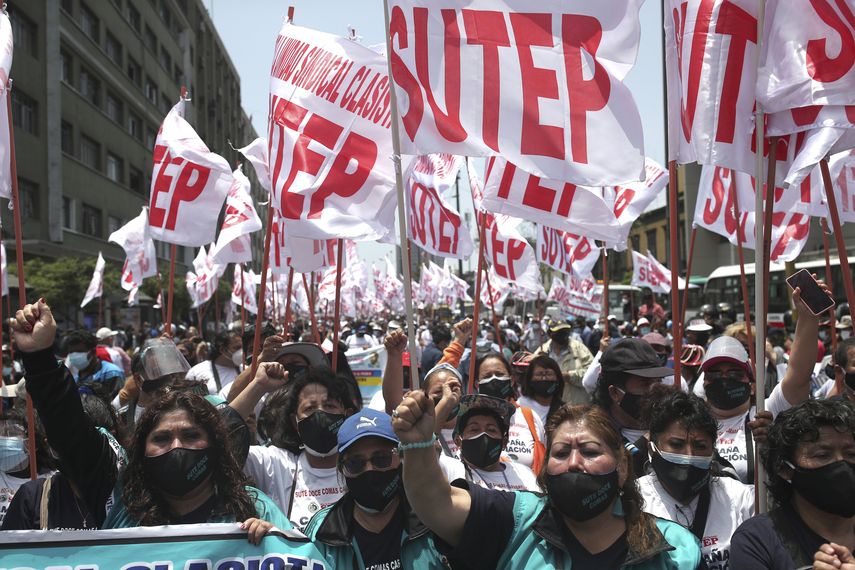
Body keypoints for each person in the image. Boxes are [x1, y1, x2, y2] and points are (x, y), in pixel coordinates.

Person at [9, 300, 291, 544]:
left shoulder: (256, 509)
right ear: (141, 449)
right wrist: (40, 360)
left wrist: (274, 542)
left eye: (191, 435)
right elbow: (70, 431)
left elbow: (299, 556)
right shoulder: (121, 504)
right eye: (161, 438)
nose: (177, 446)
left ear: (216, 444)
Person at [390, 397, 703, 569]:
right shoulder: (515, 521)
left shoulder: (676, 549)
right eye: (562, 452)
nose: (574, 462)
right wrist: (417, 446)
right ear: (545, 468)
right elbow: (436, 503)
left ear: (622, 468)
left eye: (591, 452)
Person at [696, 283, 819, 484]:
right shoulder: (690, 422)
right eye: (715, 374)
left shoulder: (767, 412)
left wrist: (808, 317)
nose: (724, 378)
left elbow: (798, 375)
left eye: (734, 373)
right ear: (704, 381)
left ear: (752, 384)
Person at [304, 408, 448, 568]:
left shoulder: (433, 519)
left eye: (381, 458)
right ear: (342, 469)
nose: (369, 470)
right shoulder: (322, 532)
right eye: (355, 463)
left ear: (401, 458)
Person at [730, 399, 855, 569]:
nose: (841, 463)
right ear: (784, 468)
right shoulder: (757, 540)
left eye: (851, 454)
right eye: (822, 455)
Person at [232, 362, 357, 530]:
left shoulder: (365, 465)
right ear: (294, 421)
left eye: (329, 406)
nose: (320, 414)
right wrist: (258, 386)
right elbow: (219, 445)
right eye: (310, 408)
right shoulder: (276, 465)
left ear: (346, 415)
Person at [637, 390, 754, 568]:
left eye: (700, 446)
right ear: (652, 448)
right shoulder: (634, 502)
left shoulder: (740, 499)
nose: (689, 456)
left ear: (713, 451)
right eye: (676, 445)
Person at [1, 391, 124, 530]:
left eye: (78, 441)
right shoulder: (32, 498)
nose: (68, 450)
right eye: (60, 441)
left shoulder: (131, 497)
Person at [591, 338, 673, 475]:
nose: (655, 390)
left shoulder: (674, 425)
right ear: (615, 393)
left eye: (658, 381)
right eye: (645, 384)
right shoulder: (595, 435)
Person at [443, 394, 540, 492]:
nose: (483, 435)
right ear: (458, 441)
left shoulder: (524, 475)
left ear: (504, 442)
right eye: (474, 429)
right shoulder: (450, 470)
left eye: (491, 430)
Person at [534, 321, 593, 406]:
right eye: (559, 332)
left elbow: (592, 375)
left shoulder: (579, 348)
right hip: (550, 407)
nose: (563, 335)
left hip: (577, 407)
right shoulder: (542, 351)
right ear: (550, 333)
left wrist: (569, 376)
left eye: (566, 331)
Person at [63, 329, 125, 402]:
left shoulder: (111, 373)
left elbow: (117, 407)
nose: (74, 356)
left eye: (79, 352)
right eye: (71, 352)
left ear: (93, 351)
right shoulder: (76, 379)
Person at [185, 330, 243, 395]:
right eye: (237, 348)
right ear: (222, 350)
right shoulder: (196, 372)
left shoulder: (246, 370)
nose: (242, 351)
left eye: (243, 348)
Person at [517, 354, 565, 425]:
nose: (544, 378)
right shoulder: (520, 406)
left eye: (549, 374)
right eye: (539, 375)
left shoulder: (563, 410)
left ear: (558, 379)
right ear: (530, 379)